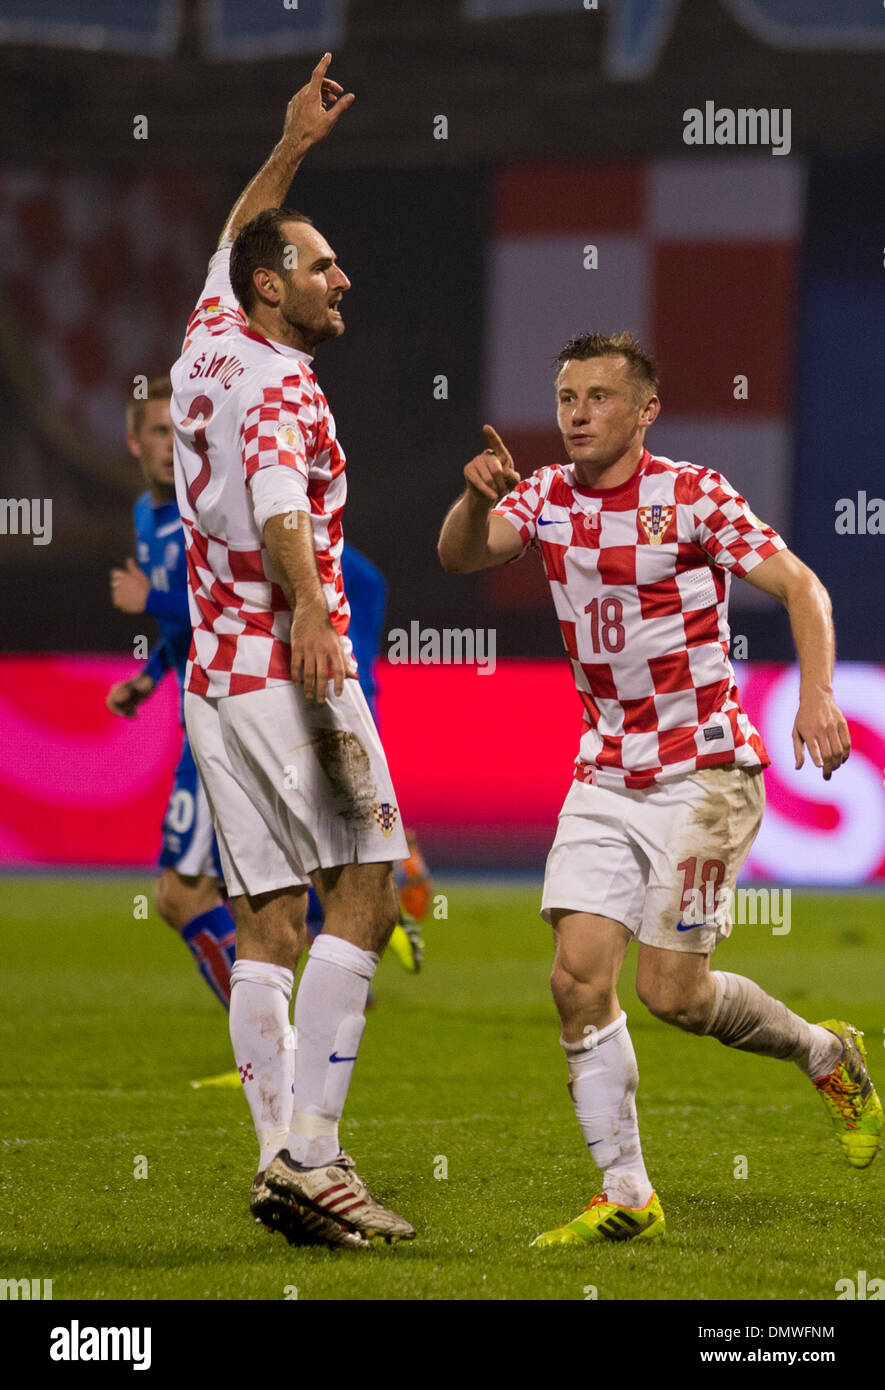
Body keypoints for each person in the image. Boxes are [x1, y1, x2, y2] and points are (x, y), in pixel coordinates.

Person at [438, 330, 883, 1246]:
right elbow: (462, 557)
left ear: (644, 411)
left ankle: (823, 1052)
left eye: (599, 398)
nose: (577, 415)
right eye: (567, 398)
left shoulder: (692, 496)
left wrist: (818, 695)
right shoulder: (545, 498)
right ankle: (627, 1191)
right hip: (604, 771)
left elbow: (801, 587)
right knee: (573, 979)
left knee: (671, 994)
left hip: (706, 772)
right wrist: (470, 499)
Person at [170, 55, 413, 1248]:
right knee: (368, 881)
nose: (341, 277)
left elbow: (231, 236)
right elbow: (278, 503)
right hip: (286, 669)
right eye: (321, 266)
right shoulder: (282, 383)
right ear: (277, 291)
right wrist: (314, 608)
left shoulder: (211, 333)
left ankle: (278, 1159)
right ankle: (316, 1154)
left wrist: (289, 148)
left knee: (268, 919)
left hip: (212, 681)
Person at [105, 377, 236, 1009]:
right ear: (134, 442)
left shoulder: (206, 511)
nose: (170, 444)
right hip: (199, 711)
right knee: (247, 889)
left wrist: (149, 598)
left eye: (180, 430)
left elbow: (228, 606)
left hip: (228, 713)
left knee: (181, 895)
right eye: (158, 431)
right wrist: (149, 678)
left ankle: (268, 1052)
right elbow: (180, 631)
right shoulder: (144, 515)